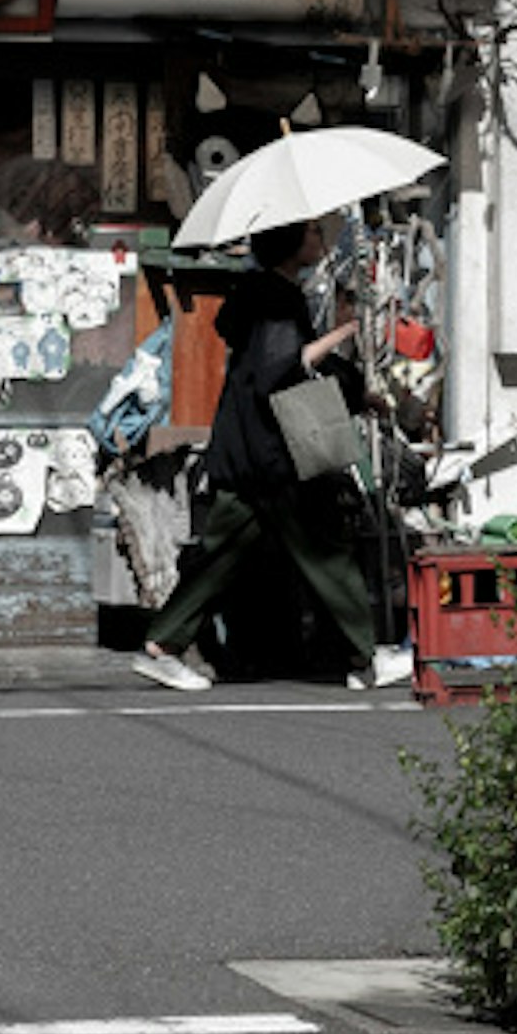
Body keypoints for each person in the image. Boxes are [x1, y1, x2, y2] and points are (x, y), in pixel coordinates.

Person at [133, 210, 392, 691]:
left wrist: (356, 395)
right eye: (314, 231)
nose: (319, 238)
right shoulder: (276, 297)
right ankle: (365, 658)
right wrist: (342, 334)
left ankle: (164, 644)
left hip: (246, 448)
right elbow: (281, 370)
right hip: (275, 452)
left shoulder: (255, 294)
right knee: (325, 551)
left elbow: (272, 367)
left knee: (220, 556)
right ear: (292, 241)